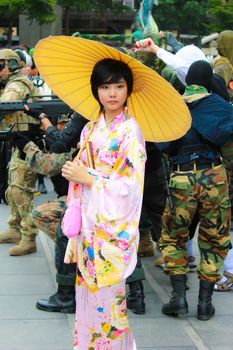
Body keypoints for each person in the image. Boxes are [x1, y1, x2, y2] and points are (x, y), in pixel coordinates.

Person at [60, 58, 146, 349]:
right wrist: (75, 174)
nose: (112, 93)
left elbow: (130, 187)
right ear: (96, 90)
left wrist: (89, 176)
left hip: (111, 230)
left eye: (119, 86)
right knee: (87, 300)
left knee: (110, 304)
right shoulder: (90, 129)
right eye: (105, 86)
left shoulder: (131, 132)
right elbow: (83, 172)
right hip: (89, 226)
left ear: (128, 90)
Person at [158, 60, 233, 321]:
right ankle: (204, 303)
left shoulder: (172, 106)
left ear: (187, 80)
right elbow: (230, 151)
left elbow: (161, 146)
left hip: (180, 177)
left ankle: (178, 298)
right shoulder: (221, 107)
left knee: (173, 236)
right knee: (214, 237)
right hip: (214, 176)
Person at [0, 49, 39, 256]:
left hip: (29, 142)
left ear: (12, 65)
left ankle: (28, 236)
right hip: (19, 141)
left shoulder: (16, 85)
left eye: (1, 66)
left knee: (19, 189)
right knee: (12, 188)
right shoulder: (9, 84)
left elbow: (4, 107)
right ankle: (14, 228)